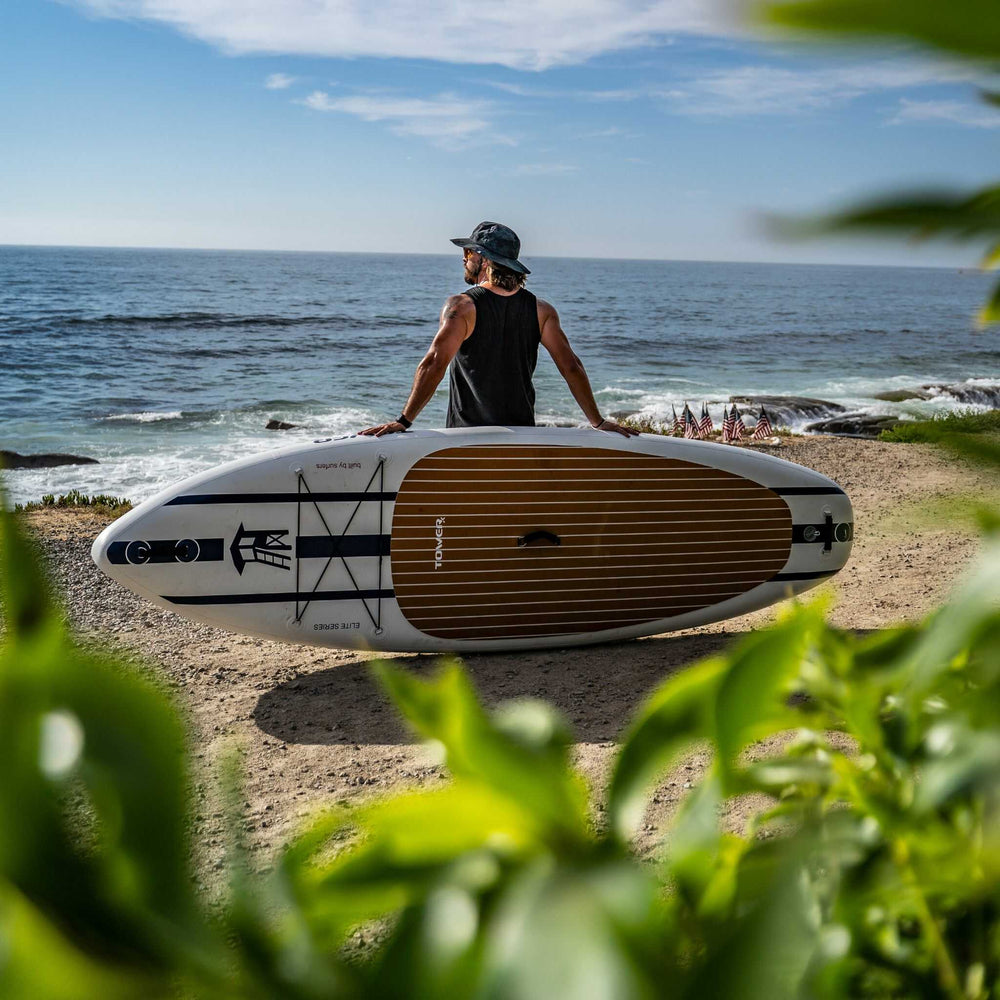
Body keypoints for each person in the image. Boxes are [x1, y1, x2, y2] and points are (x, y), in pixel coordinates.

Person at [360, 221, 638, 438]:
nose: (463, 258)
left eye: (468, 252)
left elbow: (434, 363)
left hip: (465, 438)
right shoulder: (541, 311)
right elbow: (572, 367)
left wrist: (404, 420)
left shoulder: (461, 307)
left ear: (483, 259)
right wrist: (597, 421)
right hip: (521, 435)